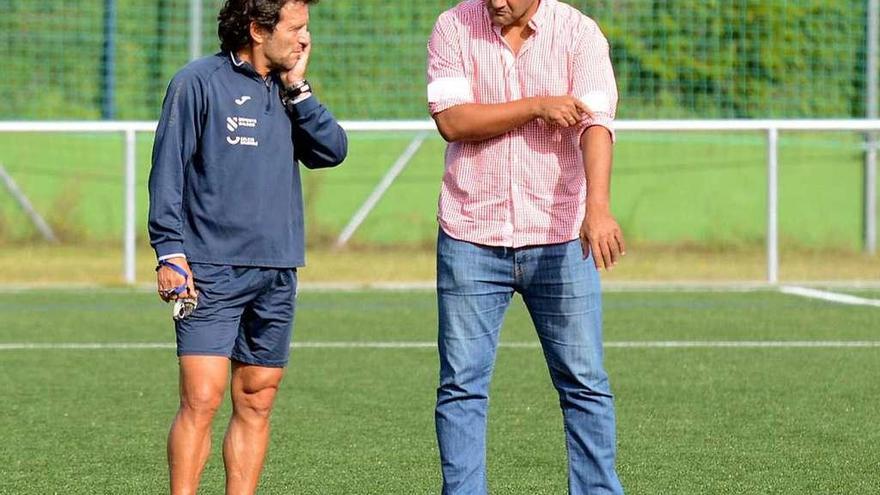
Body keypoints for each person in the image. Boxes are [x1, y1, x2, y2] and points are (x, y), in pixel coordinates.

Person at [148, 0, 347, 492]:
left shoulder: (287, 91)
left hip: (277, 269)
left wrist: (298, 89)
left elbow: (331, 151)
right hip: (210, 267)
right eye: (296, 29)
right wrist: (169, 251)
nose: (305, 40)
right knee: (202, 397)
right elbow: (168, 172)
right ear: (258, 29)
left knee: (257, 397)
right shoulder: (197, 82)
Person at [427, 0, 625, 493]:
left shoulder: (579, 33)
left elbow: (596, 123)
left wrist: (596, 208)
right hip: (470, 233)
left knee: (585, 384)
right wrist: (536, 105)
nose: (495, 1)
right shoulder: (452, 26)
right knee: (460, 387)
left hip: (559, 236)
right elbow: (453, 121)